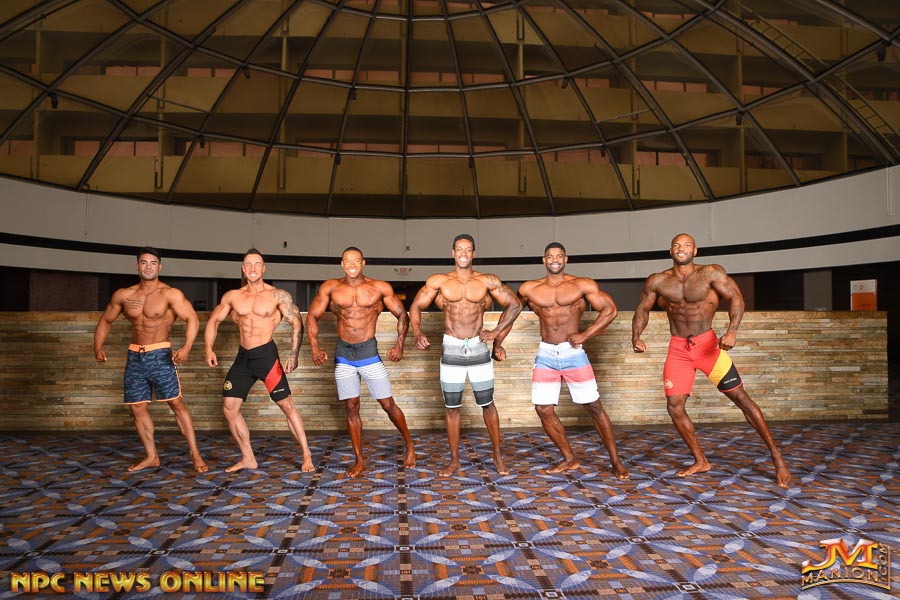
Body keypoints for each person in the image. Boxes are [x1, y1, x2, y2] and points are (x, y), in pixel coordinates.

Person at [631, 233, 791, 488]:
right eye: (676, 245)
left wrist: (732, 330)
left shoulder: (711, 273)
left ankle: (776, 455)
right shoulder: (658, 280)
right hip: (679, 349)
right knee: (674, 407)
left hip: (708, 346)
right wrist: (636, 336)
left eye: (687, 245)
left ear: (695, 251)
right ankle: (700, 460)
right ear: (670, 251)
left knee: (741, 398)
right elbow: (642, 308)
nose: (681, 248)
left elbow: (736, 297)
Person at [502, 242, 629, 478]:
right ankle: (570, 459)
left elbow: (610, 310)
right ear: (544, 260)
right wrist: (497, 340)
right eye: (550, 256)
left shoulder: (582, 285)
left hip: (573, 353)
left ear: (566, 259)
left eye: (559, 256)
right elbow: (511, 313)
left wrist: (585, 335)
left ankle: (615, 460)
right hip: (546, 353)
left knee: (594, 406)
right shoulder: (529, 288)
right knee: (543, 409)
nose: (555, 260)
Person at [410, 234, 523, 477]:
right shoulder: (439, 281)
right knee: (452, 407)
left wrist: (496, 333)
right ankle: (454, 461)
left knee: (488, 403)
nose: (463, 254)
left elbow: (515, 305)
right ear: (453, 253)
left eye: (468, 249)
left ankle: (497, 456)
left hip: (478, 347)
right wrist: (417, 331)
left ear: (474, 253)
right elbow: (416, 306)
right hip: (451, 346)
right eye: (459, 249)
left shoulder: (486, 281)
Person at [94, 247, 207, 473]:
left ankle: (195, 454)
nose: (148, 267)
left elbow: (192, 319)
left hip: (160, 355)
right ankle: (151, 456)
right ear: (137, 266)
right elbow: (106, 320)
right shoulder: (124, 295)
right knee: (137, 407)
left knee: (176, 403)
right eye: (144, 263)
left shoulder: (170, 294)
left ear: (159, 267)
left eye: (153, 263)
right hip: (135, 356)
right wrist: (97, 346)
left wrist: (186, 347)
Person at [306, 247, 416, 477]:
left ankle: (409, 444)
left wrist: (399, 345)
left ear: (363, 263)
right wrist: (315, 347)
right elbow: (312, 315)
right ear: (342, 264)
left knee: (388, 404)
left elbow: (402, 313)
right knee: (351, 407)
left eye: (356, 261)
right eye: (348, 261)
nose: (352, 265)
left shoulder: (379, 287)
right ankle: (359, 460)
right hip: (344, 354)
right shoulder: (330, 287)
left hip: (368, 353)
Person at [204, 248, 314, 473]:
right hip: (243, 357)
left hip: (266, 356)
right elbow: (214, 320)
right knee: (229, 408)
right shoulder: (232, 296)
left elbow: (296, 323)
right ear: (243, 269)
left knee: (286, 405)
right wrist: (208, 349)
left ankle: (306, 454)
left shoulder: (277, 295)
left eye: (257, 264)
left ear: (263, 268)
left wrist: (293, 354)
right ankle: (248, 458)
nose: (252, 268)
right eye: (248, 264)